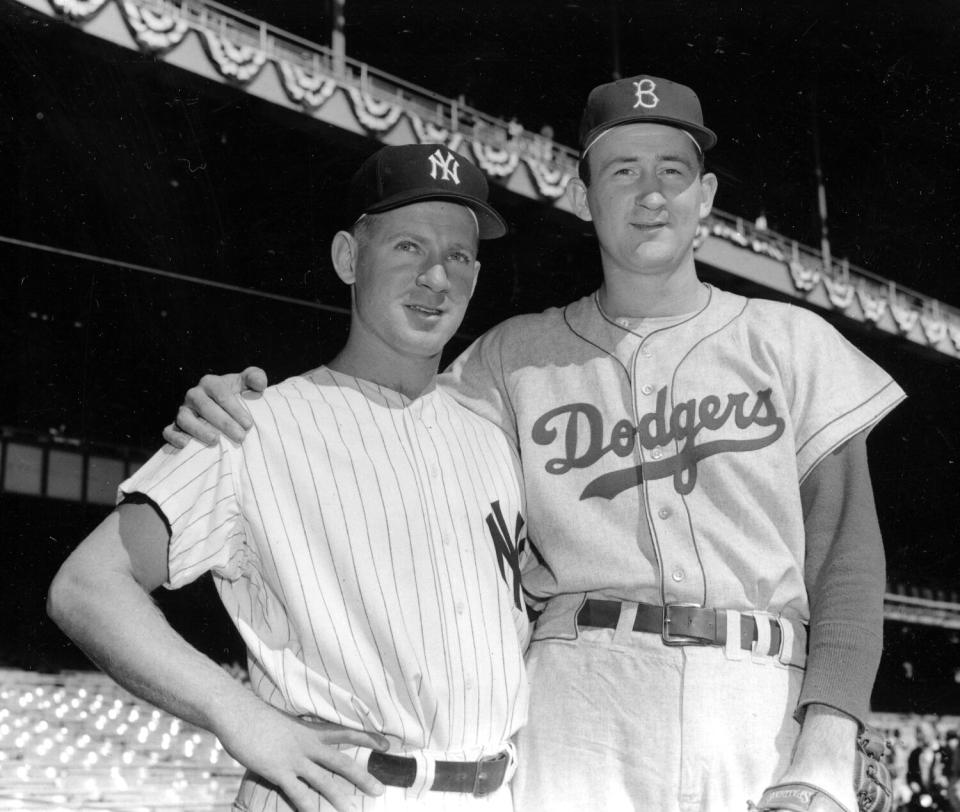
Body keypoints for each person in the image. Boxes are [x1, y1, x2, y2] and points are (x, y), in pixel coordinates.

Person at [166, 75, 905, 812]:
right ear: (584, 198)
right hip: (576, 709)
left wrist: (829, 744)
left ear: (706, 195)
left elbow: (847, 558)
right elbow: (387, 417)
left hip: (757, 705)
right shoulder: (509, 358)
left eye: (672, 172)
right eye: (622, 171)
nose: (651, 194)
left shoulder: (793, 342)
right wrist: (240, 403)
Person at [48, 144, 533, 812]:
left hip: (494, 790)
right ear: (347, 258)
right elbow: (86, 586)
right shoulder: (253, 424)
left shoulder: (495, 441)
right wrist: (234, 711)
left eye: (457, 256)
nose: (435, 278)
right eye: (407, 247)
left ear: (475, 276)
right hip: (336, 791)